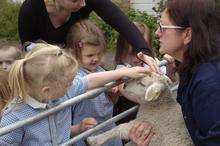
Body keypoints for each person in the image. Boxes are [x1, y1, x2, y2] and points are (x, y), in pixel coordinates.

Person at [0, 43, 149, 145]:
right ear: (47, 90)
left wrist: (124, 72)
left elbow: (89, 80)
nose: (74, 84)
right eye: (69, 82)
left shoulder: (60, 93)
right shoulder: (14, 118)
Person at [18, 0, 160, 72]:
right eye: (75, 0)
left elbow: (120, 21)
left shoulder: (82, 1)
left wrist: (144, 50)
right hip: (46, 68)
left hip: (79, 64)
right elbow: (28, 50)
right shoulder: (30, 9)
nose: (84, 3)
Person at [155, 0, 220, 145]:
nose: (157, 33)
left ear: (188, 34)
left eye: (162, 27)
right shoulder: (192, 64)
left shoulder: (209, 83)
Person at [66, 19, 122, 146]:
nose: (96, 59)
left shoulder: (101, 70)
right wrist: (105, 84)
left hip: (107, 128)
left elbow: (110, 104)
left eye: (99, 54)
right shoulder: (73, 76)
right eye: (90, 55)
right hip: (86, 133)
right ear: (74, 53)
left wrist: (113, 94)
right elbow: (88, 88)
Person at [114, 21, 151, 127]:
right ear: (121, 51)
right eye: (132, 53)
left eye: (143, 52)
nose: (138, 58)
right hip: (129, 121)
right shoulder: (121, 69)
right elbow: (123, 89)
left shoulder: (150, 64)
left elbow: (169, 80)